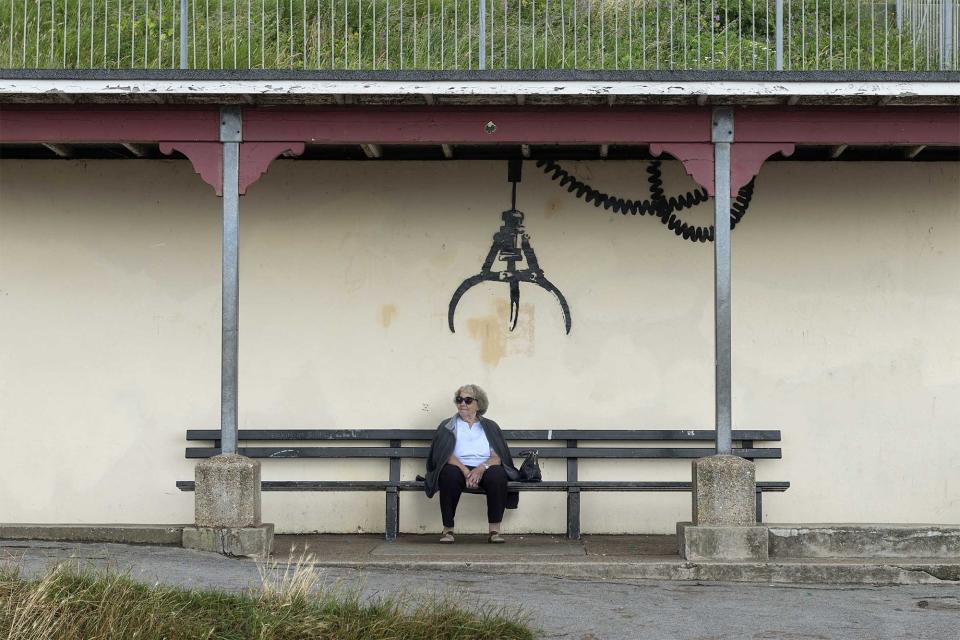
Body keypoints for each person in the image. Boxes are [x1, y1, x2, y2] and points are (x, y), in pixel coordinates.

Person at [423, 384, 520, 543]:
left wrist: (481, 468)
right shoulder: (448, 425)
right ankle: (448, 530)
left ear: (478, 404)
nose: (462, 403)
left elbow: (497, 457)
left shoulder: (490, 426)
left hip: (484, 468)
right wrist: (465, 471)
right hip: (457, 466)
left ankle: (494, 531)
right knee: (448, 474)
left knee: (498, 475)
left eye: (468, 400)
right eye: (459, 399)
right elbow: (445, 454)